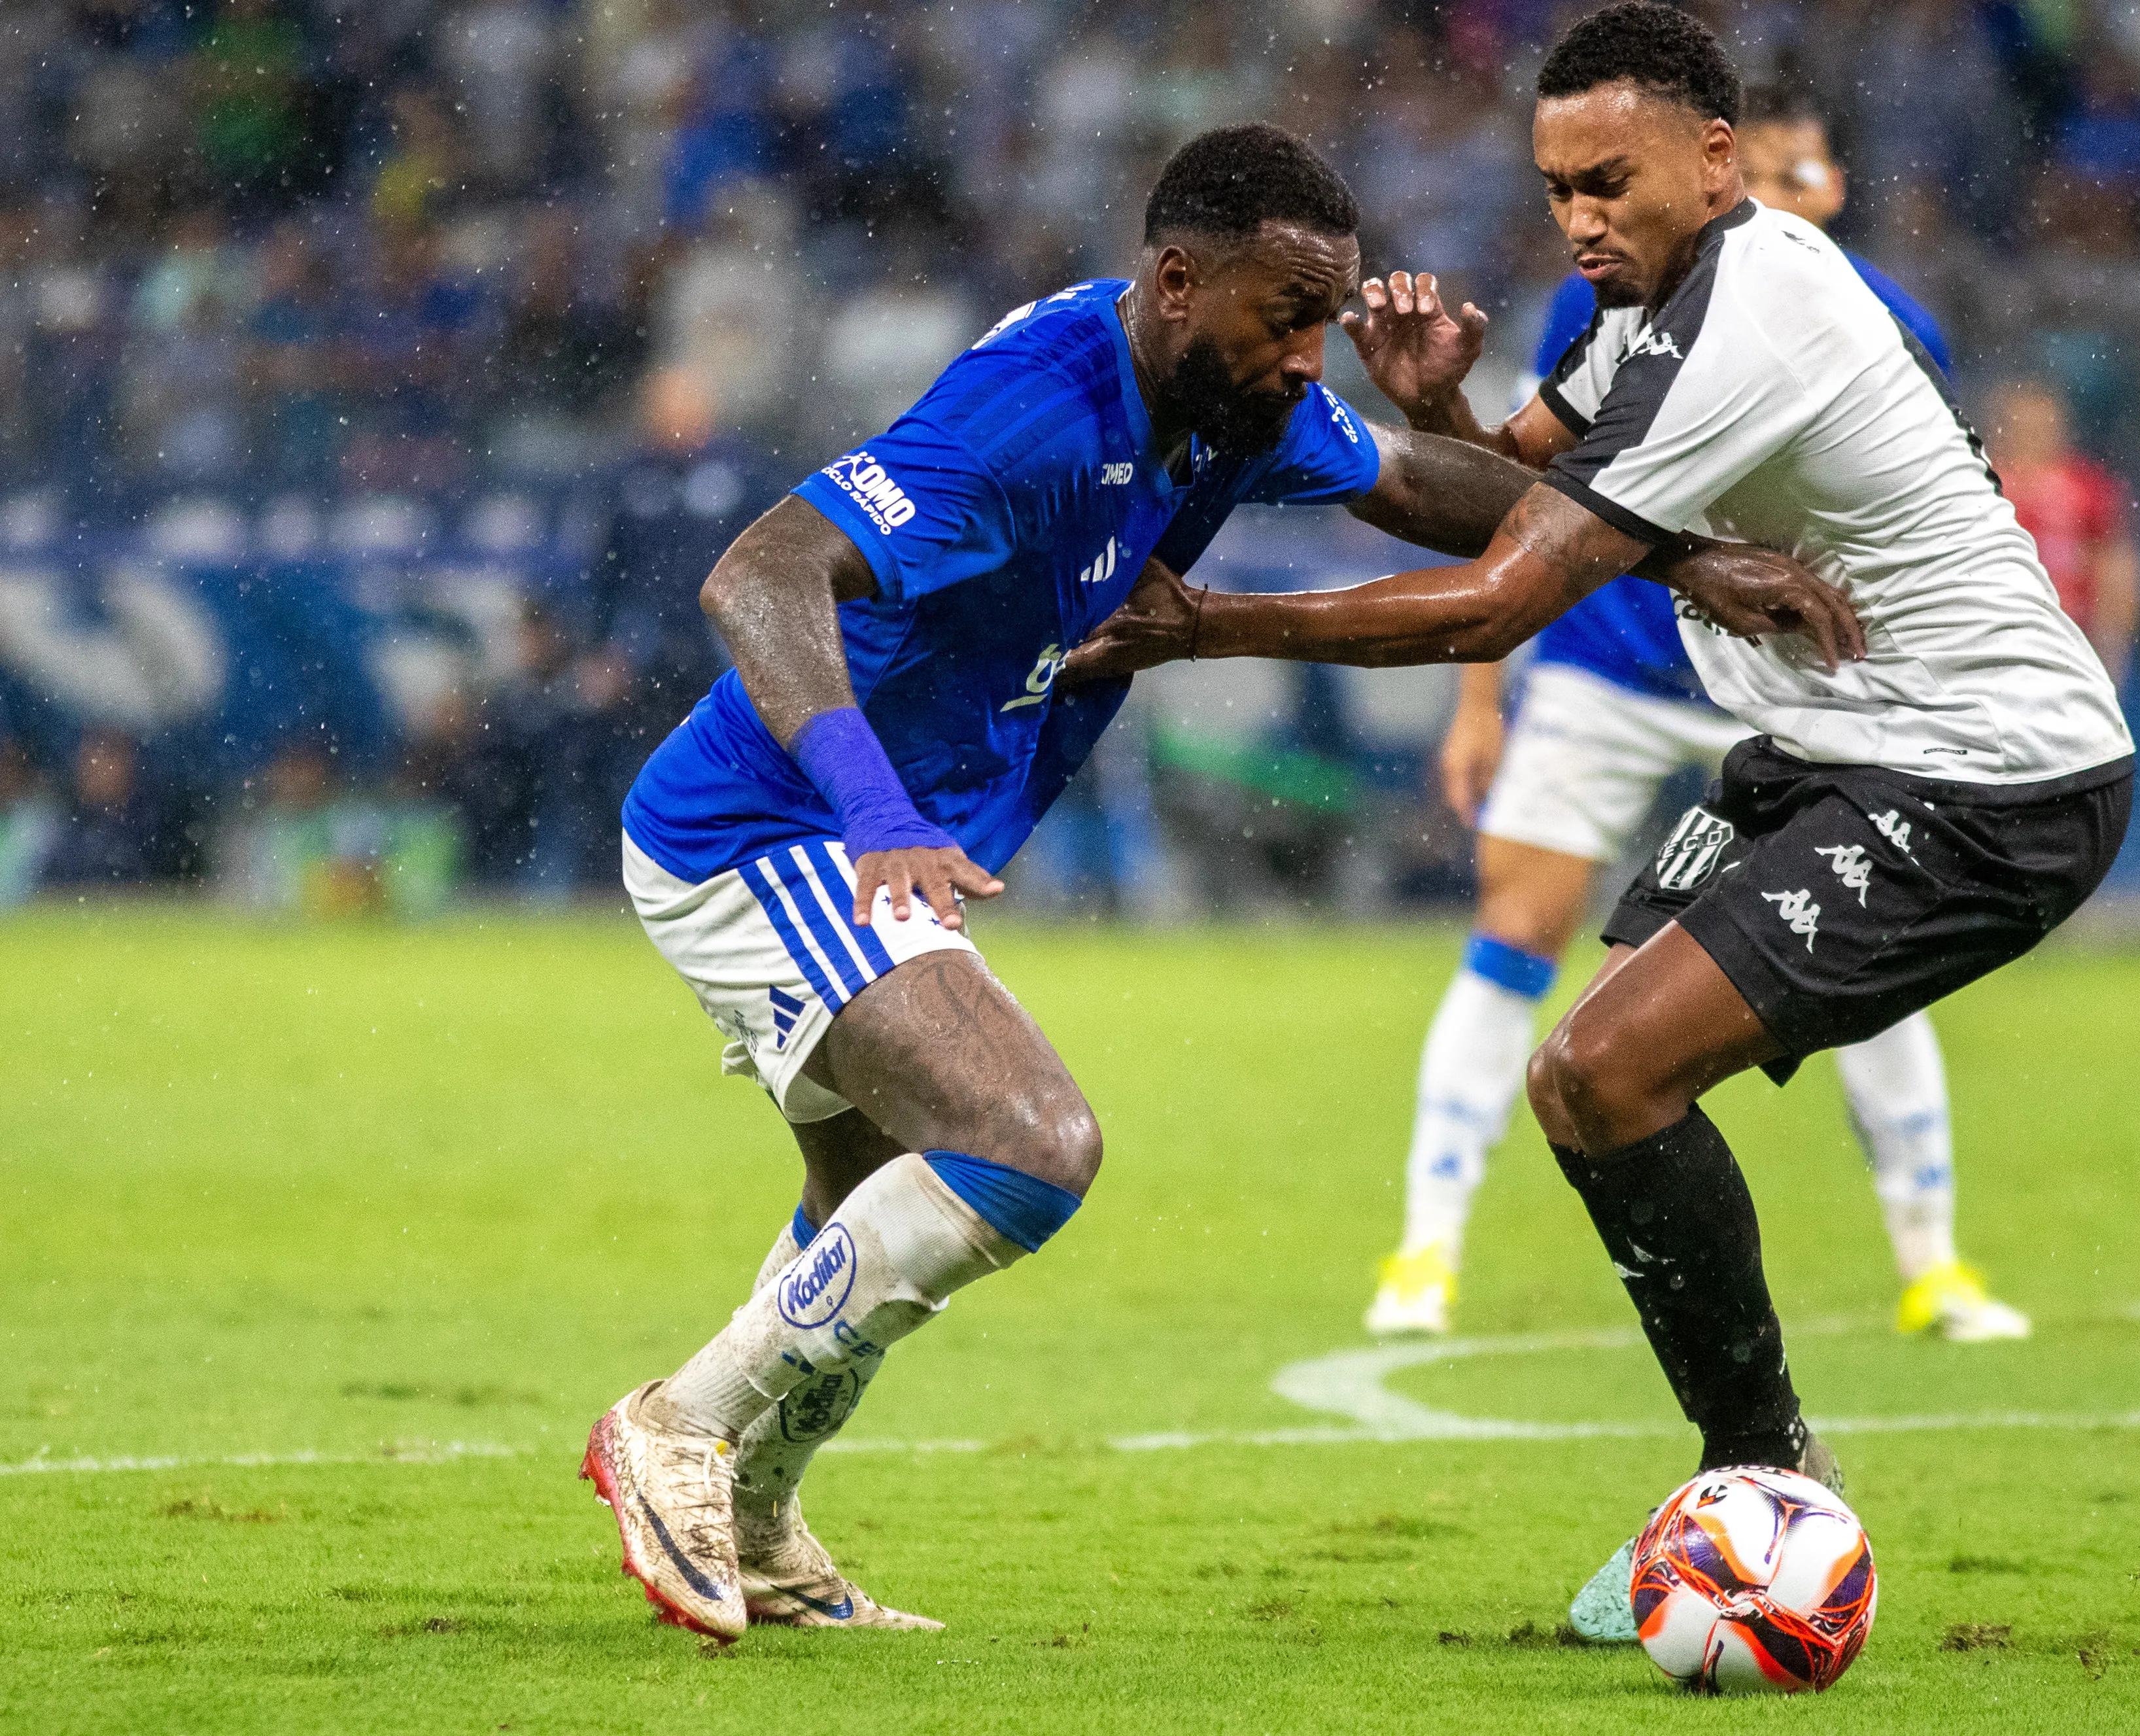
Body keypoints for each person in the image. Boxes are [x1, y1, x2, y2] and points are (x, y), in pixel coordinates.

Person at [585, 122, 1842, 1644]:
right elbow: (760, 575)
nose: (1312, 358)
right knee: (1026, 1142)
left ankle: (765, 1524)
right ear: (1177, 282)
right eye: (1285, 319)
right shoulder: (1029, 414)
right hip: (772, 825)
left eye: (1326, 319)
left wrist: (1673, 554)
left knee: (868, 1200)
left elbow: (1421, 481)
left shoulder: (1229, 394)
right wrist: (869, 814)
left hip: (877, 830)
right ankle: (676, 1426)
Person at [1067, 3, 2133, 1638]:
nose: (1577, 218)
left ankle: (1766, 1486)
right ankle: (1756, 1482)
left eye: (1608, 181)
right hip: (1826, 749)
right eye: (1556, 184)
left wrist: (1205, 622)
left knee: (1600, 1069)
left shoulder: (1756, 307)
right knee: (1590, 1087)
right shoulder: (1642, 308)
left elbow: (1498, 603)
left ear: (1716, 163)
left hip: (1990, 775)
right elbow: (1515, 493)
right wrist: (1432, 407)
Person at [1363, 84, 2031, 1347]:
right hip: (1609, 668)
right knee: (1520, 926)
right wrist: (1475, 702)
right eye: (1766, 164)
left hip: (1797, 691)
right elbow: (1511, 493)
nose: (1780, 188)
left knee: (1863, 963)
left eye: (1803, 166)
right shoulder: (1618, 293)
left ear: (1818, 189)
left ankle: (1932, 1262)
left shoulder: (1894, 322)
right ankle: (1423, 1249)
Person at [1984, 377, 2140, 682]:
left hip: (2072, 642)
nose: (2032, 435)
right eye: (2023, 426)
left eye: (2041, 425)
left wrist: (2111, 649)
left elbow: (2116, 565)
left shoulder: (2087, 487)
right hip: (2001, 639)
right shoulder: (1984, 482)